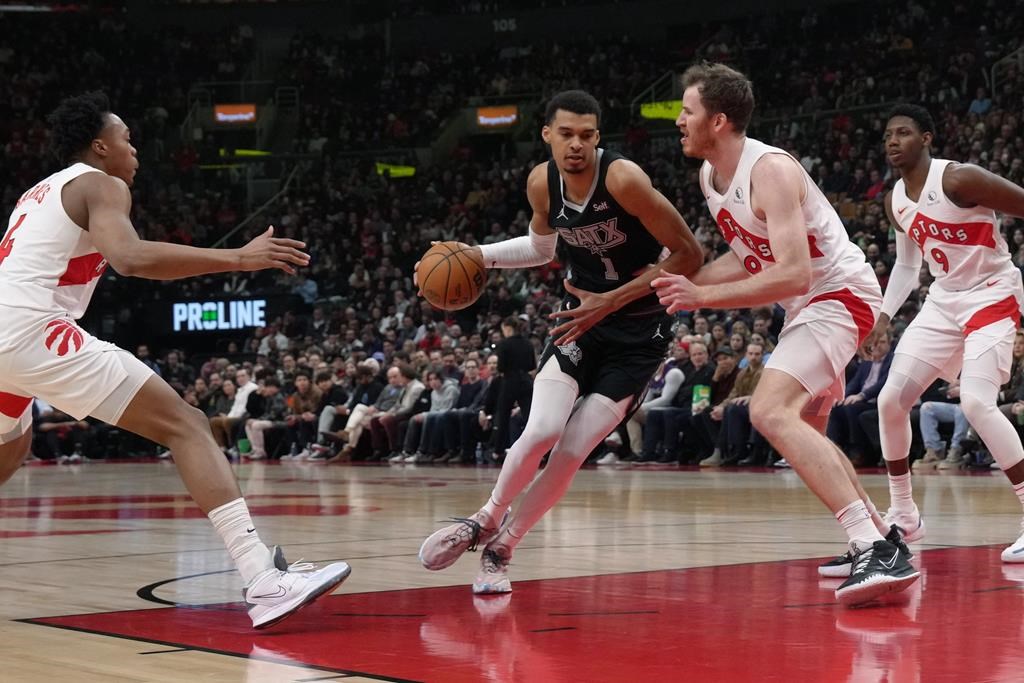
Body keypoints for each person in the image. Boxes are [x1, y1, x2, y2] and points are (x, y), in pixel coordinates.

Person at [0, 92, 350, 629]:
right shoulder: (100, 183)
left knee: (12, 445)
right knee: (187, 425)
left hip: (8, 335)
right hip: (29, 329)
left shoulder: (37, 192)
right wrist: (240, 258)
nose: (134, 149)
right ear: (100, 146)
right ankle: (262, 578)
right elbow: (130, 258)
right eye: (126, 138)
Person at [418, 89, 703, 593]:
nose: (576, 145)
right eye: (566, 134)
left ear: (598, 137)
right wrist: (477, 254)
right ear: (547, 134)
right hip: (582, 322)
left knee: (572, 451)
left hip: (640, 334)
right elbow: (540, 248)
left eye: (587, 135)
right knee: (543, 429)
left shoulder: (624, 179)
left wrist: (610, 300)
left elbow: (689, 254)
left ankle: (503, 548)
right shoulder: (541, 183)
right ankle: (486, 517)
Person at [653, 64, 918, 606]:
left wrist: (700, 296)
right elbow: (748, 256)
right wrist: (678, 284)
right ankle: (882, 536)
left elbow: (794, 273)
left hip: (840, 294)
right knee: (807, 429)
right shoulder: (710, 177)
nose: (678, 120)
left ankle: (871, 547)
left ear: (718, 120)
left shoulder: (770, 170)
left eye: (687, 110)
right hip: (809, 306)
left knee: (768, 410)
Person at [866, 104, 1024, 562]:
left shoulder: (958, 179)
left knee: (976, 403)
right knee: (890, 401)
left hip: (992, 292)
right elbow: (907, 265)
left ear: (927, 139)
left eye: (903, 132)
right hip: (943, 300)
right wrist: (883, 316)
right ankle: (904, 514)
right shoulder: (895, 200)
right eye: (888, 135)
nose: (893, 141)